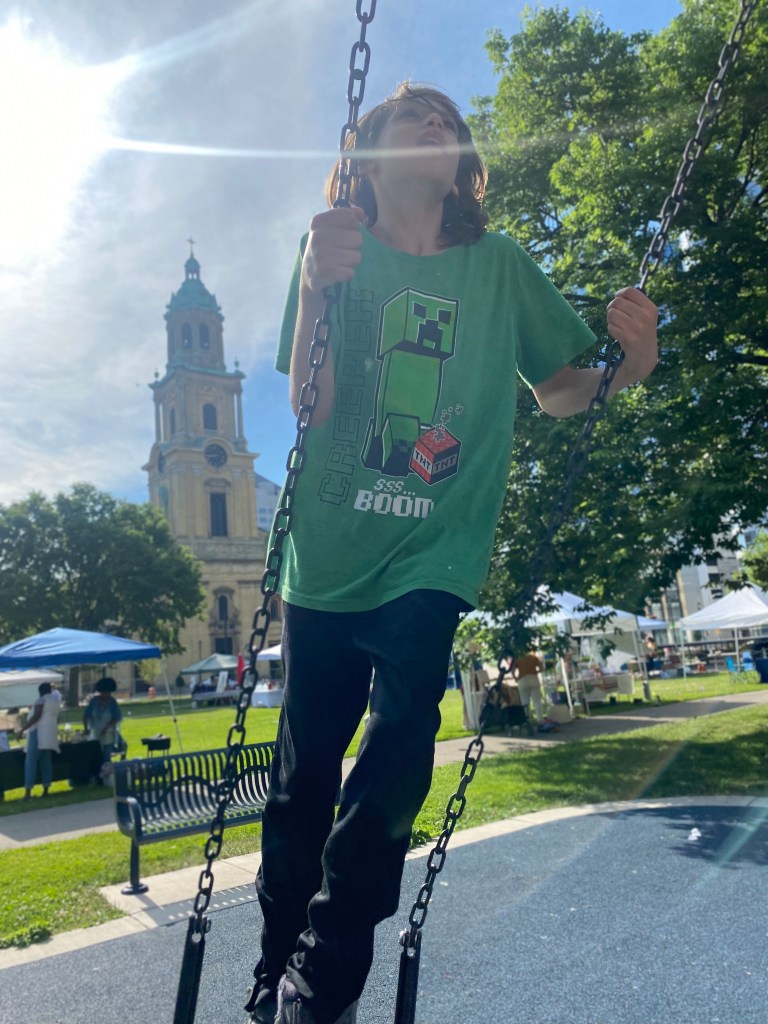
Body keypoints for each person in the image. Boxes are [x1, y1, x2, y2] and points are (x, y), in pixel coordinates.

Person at [248, 82, 658, 1024]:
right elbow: (311, 404)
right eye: (414, 118)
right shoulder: (331, 247)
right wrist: (314, 289)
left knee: (400, 739)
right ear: (369, 156)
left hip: (433, 549)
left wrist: (630, 365)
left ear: (463, 163)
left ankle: (325, 973)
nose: (438, 126)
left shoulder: (498, 264)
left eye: (449, 122)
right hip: (327, 556)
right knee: (303, 778)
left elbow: (559, 388)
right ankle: (275, 965)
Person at [19, 682, 61, 800]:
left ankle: (28, 791)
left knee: (30, 762)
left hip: (38, 733)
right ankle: (46, 789)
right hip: (50, 734)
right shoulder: (55, 702)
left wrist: (23, 729)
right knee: (46, 762)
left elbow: (36, 716)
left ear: (40, 692)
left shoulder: (41, 700)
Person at [83, 677, 122, 765]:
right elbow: (86, 715)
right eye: (104, 692)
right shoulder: (94, 701)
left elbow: (116, 718)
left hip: (107, 736)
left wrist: (107, 728)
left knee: (106, 759)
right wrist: (86, 728)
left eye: (108, 692)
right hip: (94, 736)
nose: (106, 694)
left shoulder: (112, 703)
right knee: (95, 760)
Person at [513, 651, 545, 723]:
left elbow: (513, 670)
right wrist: (536, 672)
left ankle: (528, 720)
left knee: (525, 701)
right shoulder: (534, 658)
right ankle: (540, 719)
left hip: (522, 679)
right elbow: (541, 668)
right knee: (537, 700)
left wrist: (515, 678)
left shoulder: (517, 658)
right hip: (533, 677)